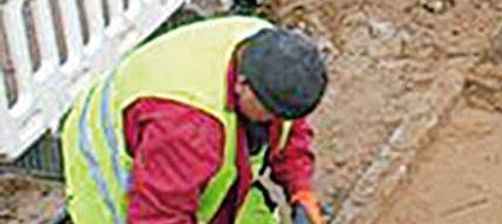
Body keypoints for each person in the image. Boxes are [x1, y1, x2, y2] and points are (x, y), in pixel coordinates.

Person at [61, 16, 330, 223]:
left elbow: (290, 132)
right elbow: (160, 215)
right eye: (272, 112)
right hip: (110, 169)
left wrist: (300, 189)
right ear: (242, 84)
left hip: (180, 148)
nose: (278, 120)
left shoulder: (270, 56)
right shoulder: (189, 129)